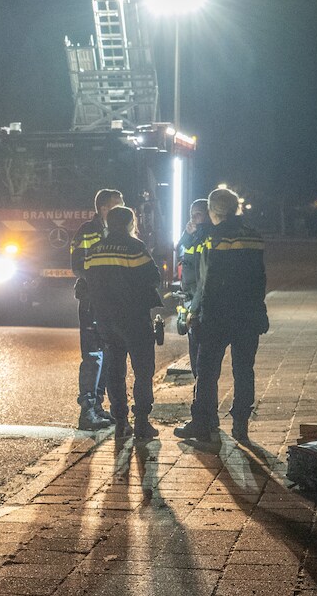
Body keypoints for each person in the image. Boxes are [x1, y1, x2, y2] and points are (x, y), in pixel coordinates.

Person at [174, 188, 268, 444]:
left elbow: (206, 282)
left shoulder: (211, 237)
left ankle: (202, 423)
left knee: (207, 372)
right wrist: (260, 310)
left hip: (216, 315)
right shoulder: (253, 236)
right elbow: (259, 278)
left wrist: (194, 312)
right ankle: (241, 424)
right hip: (248, 314)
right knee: (244, 370)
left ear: (214, 211)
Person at [83, 206, 163, 439]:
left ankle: (120, 422)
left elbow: (87, 282)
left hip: (106, 321)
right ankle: (142, 422)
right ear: (131, 224)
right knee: (143, 371)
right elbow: (153, 278)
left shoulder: (94, 250)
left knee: (115, 371)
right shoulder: (135, 248)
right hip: (135, 319)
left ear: (108, 224)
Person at [69, 189, 122, 430]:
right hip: (93, 301)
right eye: (116, 206)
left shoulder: (116, 231)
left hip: (111, 302)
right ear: (103, 208)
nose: (121, 209)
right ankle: (87, 410)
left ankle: (98, 406)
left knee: (108, 354)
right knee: (92, 355)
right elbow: (78, 266)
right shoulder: (87, 232)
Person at [176, 199, 210, 377]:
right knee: (192, 342)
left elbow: (204, 275)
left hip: (201, 300)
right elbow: (179, 249)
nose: (194, 218)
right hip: (189, 297)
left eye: (198, 214)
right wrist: (188, 235)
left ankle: (202, 388)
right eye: (192, 215)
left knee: (201, 346)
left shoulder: (208, 236)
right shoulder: (192, 235)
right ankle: (198, 383)